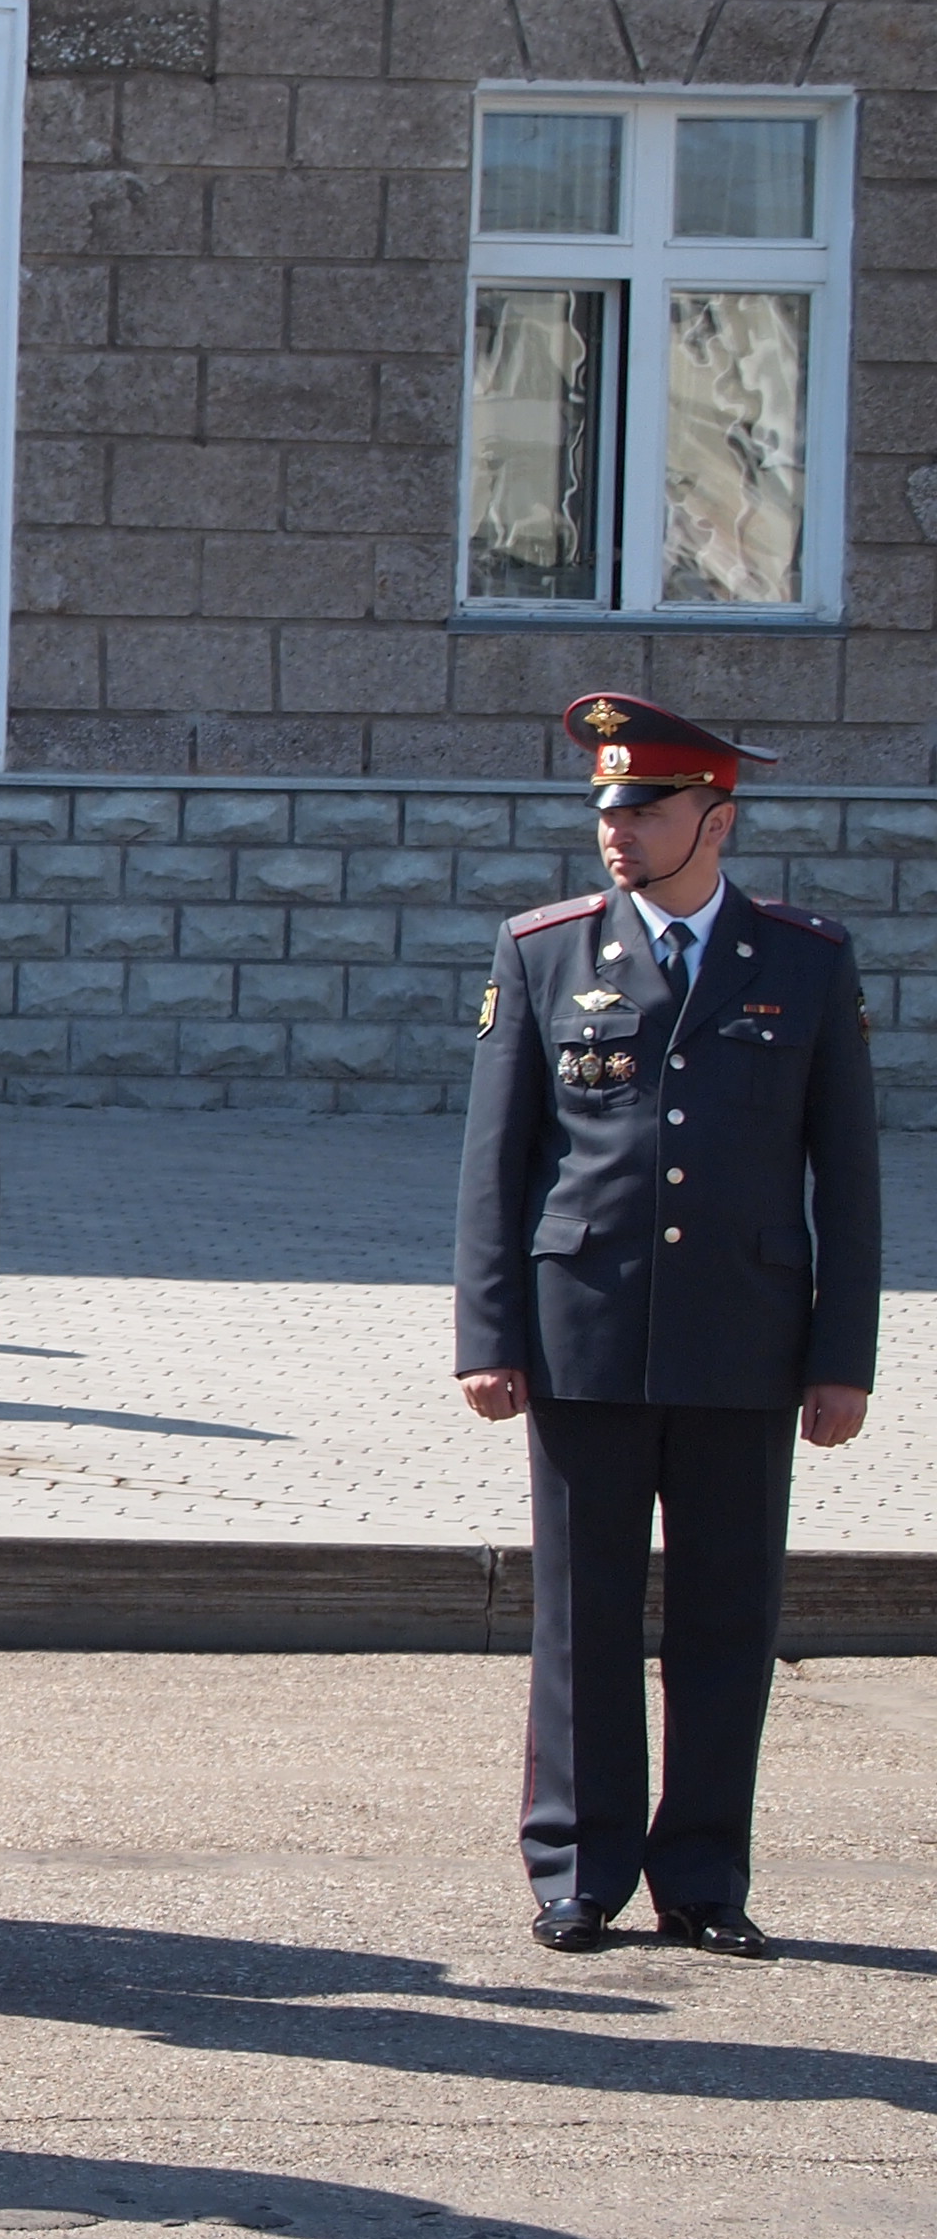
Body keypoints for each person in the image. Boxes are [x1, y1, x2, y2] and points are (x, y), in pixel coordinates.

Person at [454, 695, 879, 1960]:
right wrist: (489, 1333)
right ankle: (579, 1871)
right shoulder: (545, 951)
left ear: (717, 816)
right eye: (607, 808)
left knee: (726, 1614)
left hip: (744, 1340)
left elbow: (846, 1177)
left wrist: (840, 1358)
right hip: (583, 1325)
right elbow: (498, 1161)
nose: (619, 829)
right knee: (582, 1617)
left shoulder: (802, 960)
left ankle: (702, 1877)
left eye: (645, 807)